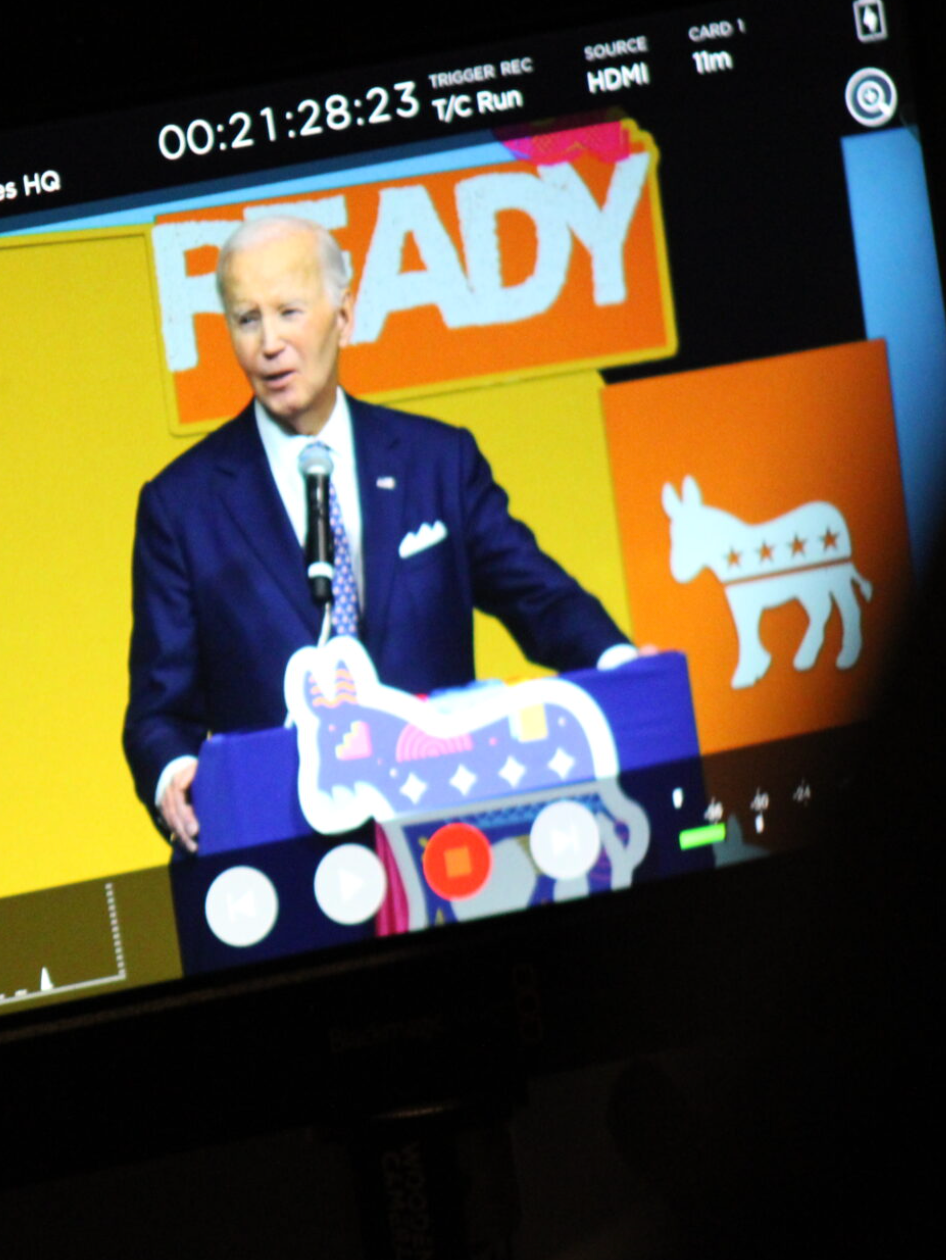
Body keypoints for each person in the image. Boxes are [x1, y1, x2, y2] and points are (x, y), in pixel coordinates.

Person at [124, 217, 633, 849]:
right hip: (283, 846)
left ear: (344, 314)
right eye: (246, 319)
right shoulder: (182, 505)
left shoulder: (436, 462)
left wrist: (626, 668)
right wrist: (175, 774)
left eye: (289, 311)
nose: (269, 343)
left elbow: (540, 598)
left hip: (448, 836)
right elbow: (157, 710)